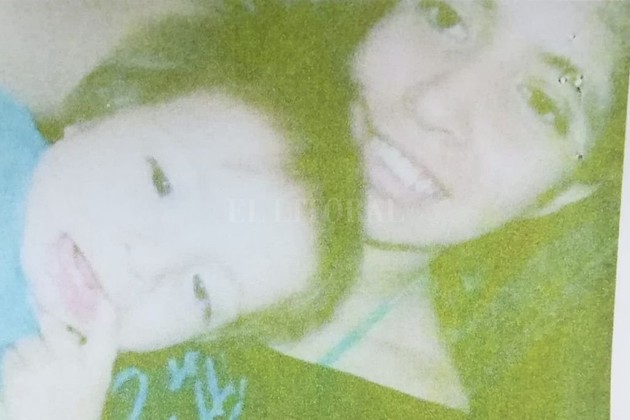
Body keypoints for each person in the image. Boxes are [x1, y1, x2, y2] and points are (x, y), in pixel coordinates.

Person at [2, 0, 628, 418]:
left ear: (568, 190)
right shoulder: (194, 68)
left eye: (543, 103)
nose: (437, 103)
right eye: (446, 14)